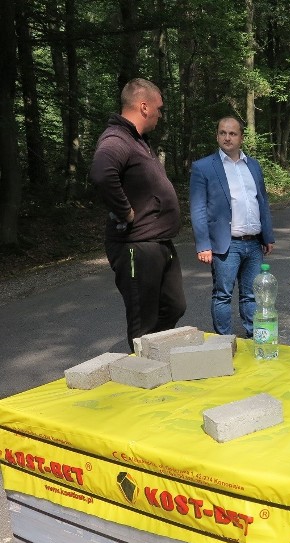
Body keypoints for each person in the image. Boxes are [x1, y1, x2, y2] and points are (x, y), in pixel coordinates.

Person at [90, 78, 186, 351]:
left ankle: (153, 356)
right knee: (143, 319)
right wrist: (125, 211)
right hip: (135, 246)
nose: (160, 114)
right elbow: (101, 173)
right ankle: (142, 375)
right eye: (159, 108)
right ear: (144, 107)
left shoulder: (138, 140)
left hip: (159, 243)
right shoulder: (116, 139)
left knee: (175, 306)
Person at [189, 117, 275, 338]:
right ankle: (225, 342)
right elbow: (198, 208)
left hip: (254, 244)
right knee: (223, 295)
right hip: (226, 245)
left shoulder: (253, 165)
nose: (227, 137)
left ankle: (253, 337)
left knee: (251, 295)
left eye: (232, 133)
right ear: (217, 135)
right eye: (222, 133)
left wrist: (268, 235)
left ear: (241, 138)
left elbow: (262, 201)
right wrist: (203, 245)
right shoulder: (203, 167)